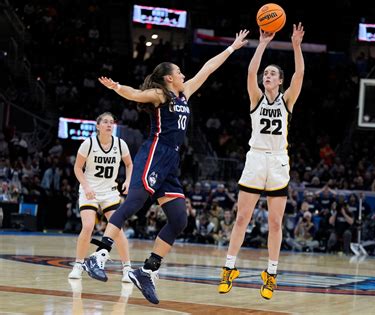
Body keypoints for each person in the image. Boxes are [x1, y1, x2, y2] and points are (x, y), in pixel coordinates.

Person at [83, 30, 249, 304]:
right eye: (180, 72)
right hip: (154, 153)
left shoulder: (184, 93)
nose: (184, 75)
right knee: (134, 202)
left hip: (171, 160)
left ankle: (146, 270)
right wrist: (116, 88)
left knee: (179, 219)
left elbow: (207, 69)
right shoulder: (160, 95)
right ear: (169, 77)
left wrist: (231, 48)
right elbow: (136, 94)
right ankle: (98, 256)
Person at [218, 23, 305, 300]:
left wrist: (296, 46)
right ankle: (229, 269)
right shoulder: (255, 97)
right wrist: (263, 43)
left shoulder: (287, 100)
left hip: (278, 162)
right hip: (255, 158)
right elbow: (250, 71)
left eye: (272, 74)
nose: (267, 75)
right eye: (266, 73)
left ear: (280, 81)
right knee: (242, 217)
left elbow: (300, 73)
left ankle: (271, 273)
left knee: (276, 223)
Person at [68, 112, 133, 282]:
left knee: (117, 230)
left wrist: (127, 180)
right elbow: (77, 168)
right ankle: (78, 264)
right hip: (90, 191)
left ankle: (127, 268)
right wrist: (86, 186)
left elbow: (129, 164)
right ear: (98, 126)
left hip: (110, 192)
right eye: (105, 122)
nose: (109, 125)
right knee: (88, 226)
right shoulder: (88, 144)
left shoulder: (120, 144)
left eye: (112, 122)